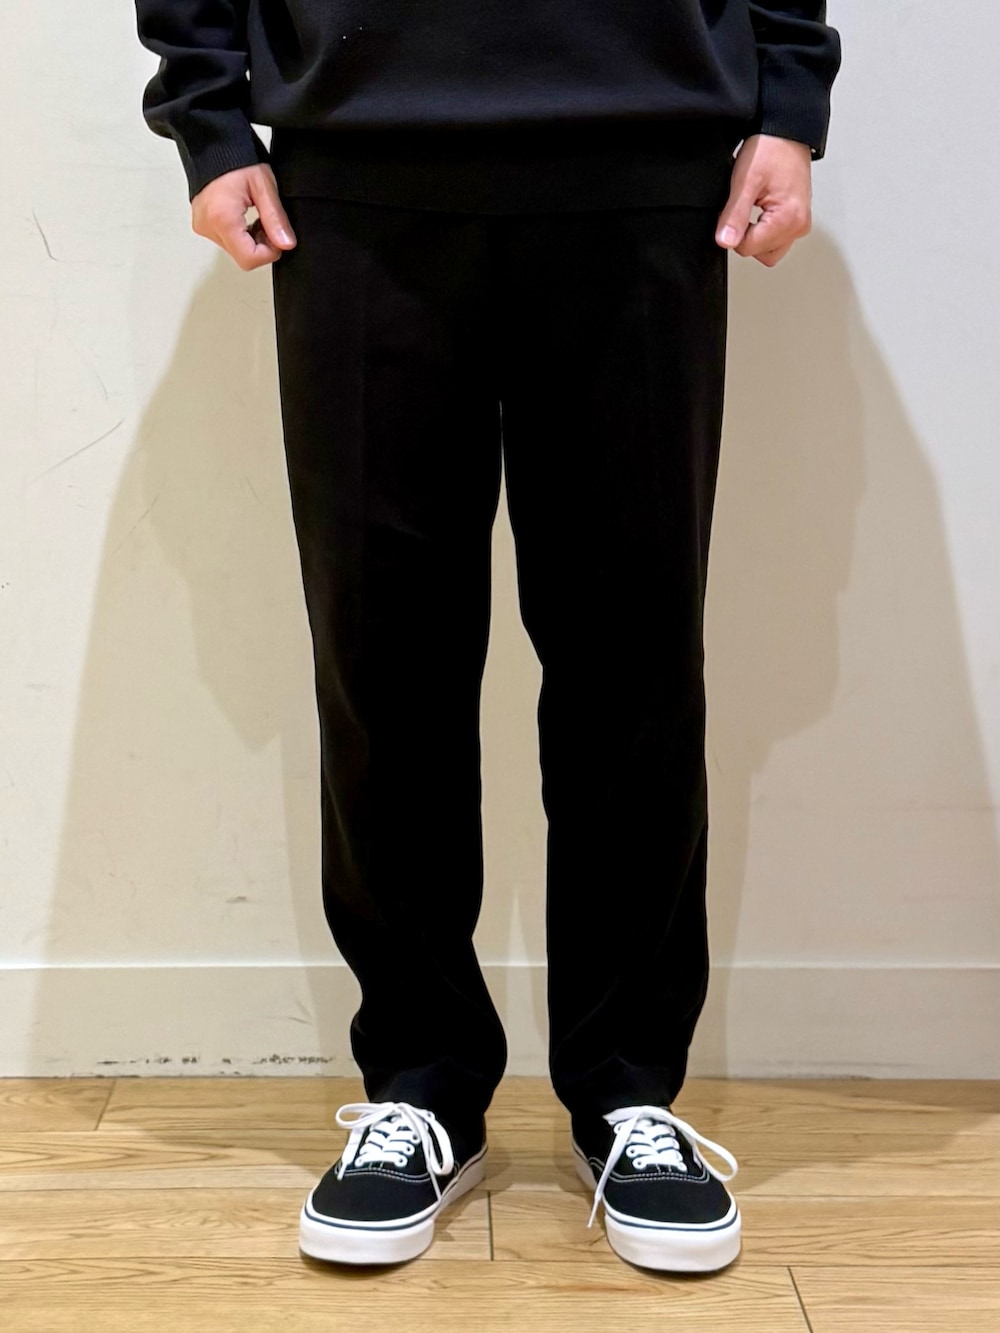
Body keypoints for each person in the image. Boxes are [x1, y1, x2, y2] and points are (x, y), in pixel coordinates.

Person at [133, 0, 841, 1274]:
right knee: (381, 658)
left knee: (632, 663)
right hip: (357, 163)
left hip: (644, 162)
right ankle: (420, 1080)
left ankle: (627, 1089)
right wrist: (205, 115)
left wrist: (787, 101)